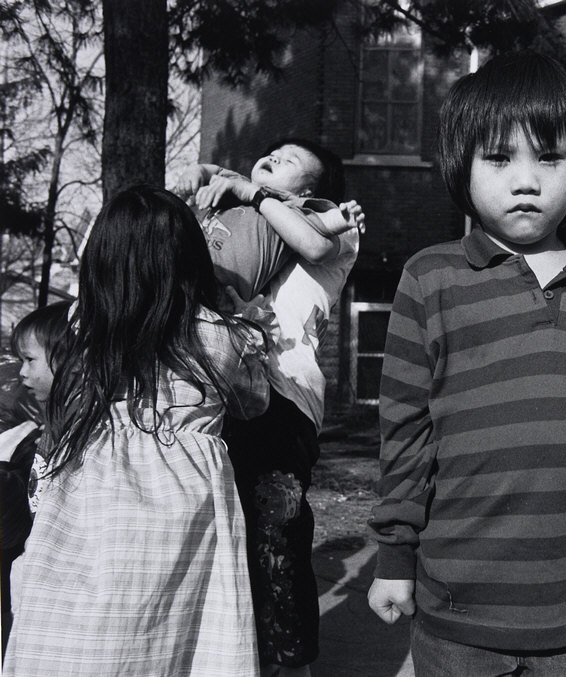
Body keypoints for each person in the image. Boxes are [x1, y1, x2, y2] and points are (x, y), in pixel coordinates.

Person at [366, 51, 566, 676]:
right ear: (462, 166)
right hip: (458, 614)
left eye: (549, 157)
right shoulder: (431, 278)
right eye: (499, 158)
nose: (526, 180)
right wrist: (395, 554)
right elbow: (404, 431)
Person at [5, 185, 271, 676]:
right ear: (190, 261)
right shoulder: (220, 335)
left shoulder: (85, 327)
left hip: (92, 502)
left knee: (83, 632)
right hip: (185, 509)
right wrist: (243, 320)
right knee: (176, 636)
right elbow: (255, 403)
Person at [220, 171, 363, 673]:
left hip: (285, 396)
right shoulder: (249, 224)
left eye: (283, 160)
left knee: (276, 533)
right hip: (232, 385)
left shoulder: (338, 220)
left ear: (309, 187)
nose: (266, 161)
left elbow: (313, 243)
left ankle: (292, 662)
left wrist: (249, 190)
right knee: (233, 536)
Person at [173, 137, 356, 304]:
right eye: (273, 154)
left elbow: (319, 238)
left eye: (290, 161)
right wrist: (193, 171)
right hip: (178, 263)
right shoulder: (236, 181)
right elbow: (210, 170)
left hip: (214, 289)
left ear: (306, 192)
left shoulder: (291, 210)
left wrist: (342, 218)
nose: (274, 158)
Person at [0, 301, 70, 660]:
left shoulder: (72, 433)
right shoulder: (39, 430)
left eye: (30, 360)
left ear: (65, 359)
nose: (21, 372)